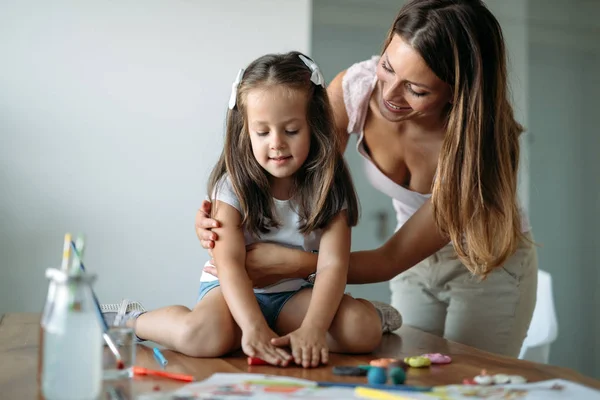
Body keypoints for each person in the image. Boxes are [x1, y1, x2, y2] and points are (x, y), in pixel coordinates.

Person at [196, 0, 538, 358]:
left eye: (417, 90)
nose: (389, 95)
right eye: (388, 67)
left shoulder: (479, 148)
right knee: (413, 372)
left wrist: (296, 263)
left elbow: (389, 259)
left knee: (471, 380)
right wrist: (221, 216)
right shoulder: (358, 90)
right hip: (417, 269)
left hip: (486, 265)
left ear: (457, 91)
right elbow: (290, 171)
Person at [104, 51, 390, 368]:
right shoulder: (232, 186)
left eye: (291, 130)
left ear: (314, 125)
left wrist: (313, 328)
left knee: (363, 330)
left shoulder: (329, 186)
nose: (277, 143)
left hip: (293, 294)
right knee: (203, 337)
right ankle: (129, 320)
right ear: (246, 130)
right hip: (231, 291)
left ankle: (368, 315)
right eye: (263, 132)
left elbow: (332, 266)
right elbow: (229, 264)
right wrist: (252, 324)